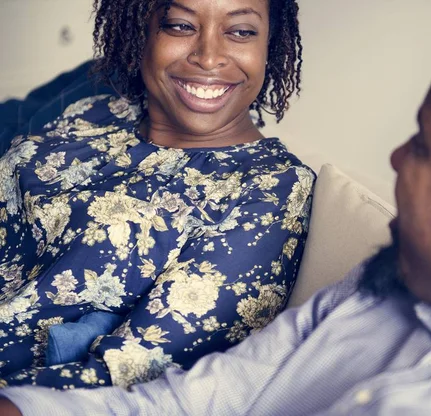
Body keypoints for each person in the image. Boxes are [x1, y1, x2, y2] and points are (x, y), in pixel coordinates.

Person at [3, 22, 431, 415]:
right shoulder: (377, 291)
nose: (393, 158)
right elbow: (190, 402)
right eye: (180, 22)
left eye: (424, 146)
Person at [0, 0, 314, 390]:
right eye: (181, 26)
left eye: (241, 32)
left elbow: (132, 371)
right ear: (143, 34)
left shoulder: (269, 188)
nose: (209, 57)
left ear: (271, 45)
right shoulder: (99, 108)